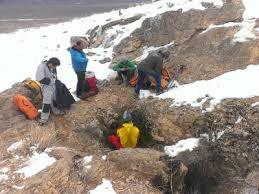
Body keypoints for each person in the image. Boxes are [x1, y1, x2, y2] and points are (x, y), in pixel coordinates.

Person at [35, 57, 64, 125]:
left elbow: (55, 76)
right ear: (50, 63)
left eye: (56, 66)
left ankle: (55, 111)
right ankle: (43, 119)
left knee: (54, 99)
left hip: (53, 85)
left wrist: (56, 81)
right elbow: (40, 79)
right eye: (54, 66)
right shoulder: (41, 67)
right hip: (46, 86)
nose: (55, 67)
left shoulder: (53, 66)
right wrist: (53, 81)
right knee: (47, 102)